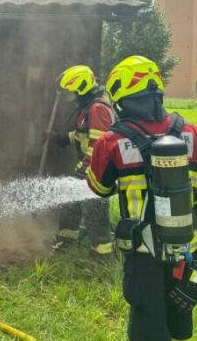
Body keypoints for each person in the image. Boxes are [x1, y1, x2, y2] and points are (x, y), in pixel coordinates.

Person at [86, 55, 197, 341]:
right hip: (185, 251)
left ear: (120, 97)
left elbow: (98, 187)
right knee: (178, 325)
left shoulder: (110, 142)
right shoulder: (192, 133)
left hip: (144, 253)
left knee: (147, 327)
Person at [49, 65, 116, 256]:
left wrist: (85, 167)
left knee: (94, 211)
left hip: (98, 169)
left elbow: (100, 144)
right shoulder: (89, 108)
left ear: (81, 88)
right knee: (70, 203)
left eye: (71, 92)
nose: (70, 96)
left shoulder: (97, 109)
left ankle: (102, 254)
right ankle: (65, 242)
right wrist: (60, 138)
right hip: (91, 167)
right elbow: (82, 134)